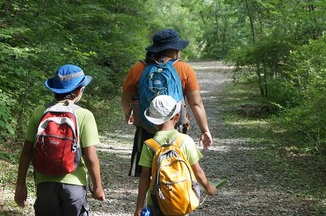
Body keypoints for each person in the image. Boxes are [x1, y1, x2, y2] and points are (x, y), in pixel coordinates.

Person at [14, 64, 105, 216]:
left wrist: (20, 185)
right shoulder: (84, 115)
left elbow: (26, 152)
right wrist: (97, 187)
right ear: (79, 91)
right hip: (74, 185)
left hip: (44, 184)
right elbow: (90, 156)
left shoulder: (40, 111)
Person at [122, 28, 213, 177]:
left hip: (147, 126)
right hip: (175, 128)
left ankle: (149, 198)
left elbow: (126, 97)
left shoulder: (139, 68)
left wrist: (129, 114)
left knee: (147, 172)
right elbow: (196, 103)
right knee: (177, 170)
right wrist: (205, 131)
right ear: (173, 50)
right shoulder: (184, 69)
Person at [134, 95, 216, 216]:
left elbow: (144, 178)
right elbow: (198, 172)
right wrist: (209, 188)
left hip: (158, 202)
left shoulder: (149, 145)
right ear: (176, 117)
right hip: (182, 199)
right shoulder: (185, 141)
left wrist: (139, 208)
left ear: (152, 120)